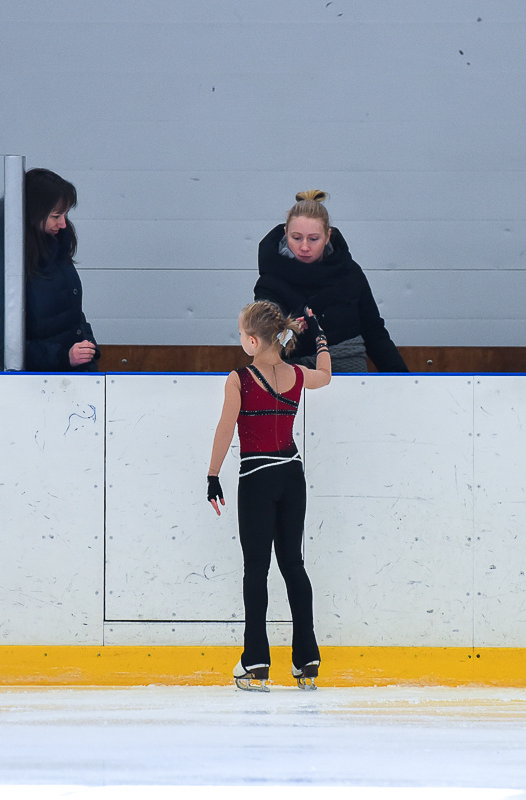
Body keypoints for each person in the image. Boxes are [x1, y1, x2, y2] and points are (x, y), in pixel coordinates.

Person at [207, 300, 332, 691]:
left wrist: (213, 474)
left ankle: (256, 661)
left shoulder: (239, 378)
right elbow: (325, 376)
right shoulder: (297, 374)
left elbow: (226, 428)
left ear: (251, 339)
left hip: (258, 478)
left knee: (256, 571)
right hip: (292, 476)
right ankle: (307, 659)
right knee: (293, 564)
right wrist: (321, 336)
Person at [254, 190, 408, 373]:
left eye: (313, 239)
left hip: (349, 373)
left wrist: (403, 380)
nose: (304, 247)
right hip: (293, 378)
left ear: (327, 237)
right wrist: (292, 330)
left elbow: (374, 332)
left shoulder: (350, 273)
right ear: (286, 233)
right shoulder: (270, 282)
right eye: (296, 238)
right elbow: (264, 343)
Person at [0, 168, 100, 371]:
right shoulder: (0, 260)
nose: (63, 224)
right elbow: (1, 344)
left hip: (73, 377)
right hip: (31, 385)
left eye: (65, 214)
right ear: (32, 213)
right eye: (56, 215)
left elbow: (72, 313)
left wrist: (87, 346)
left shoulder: (54, 247)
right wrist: (62, 356)